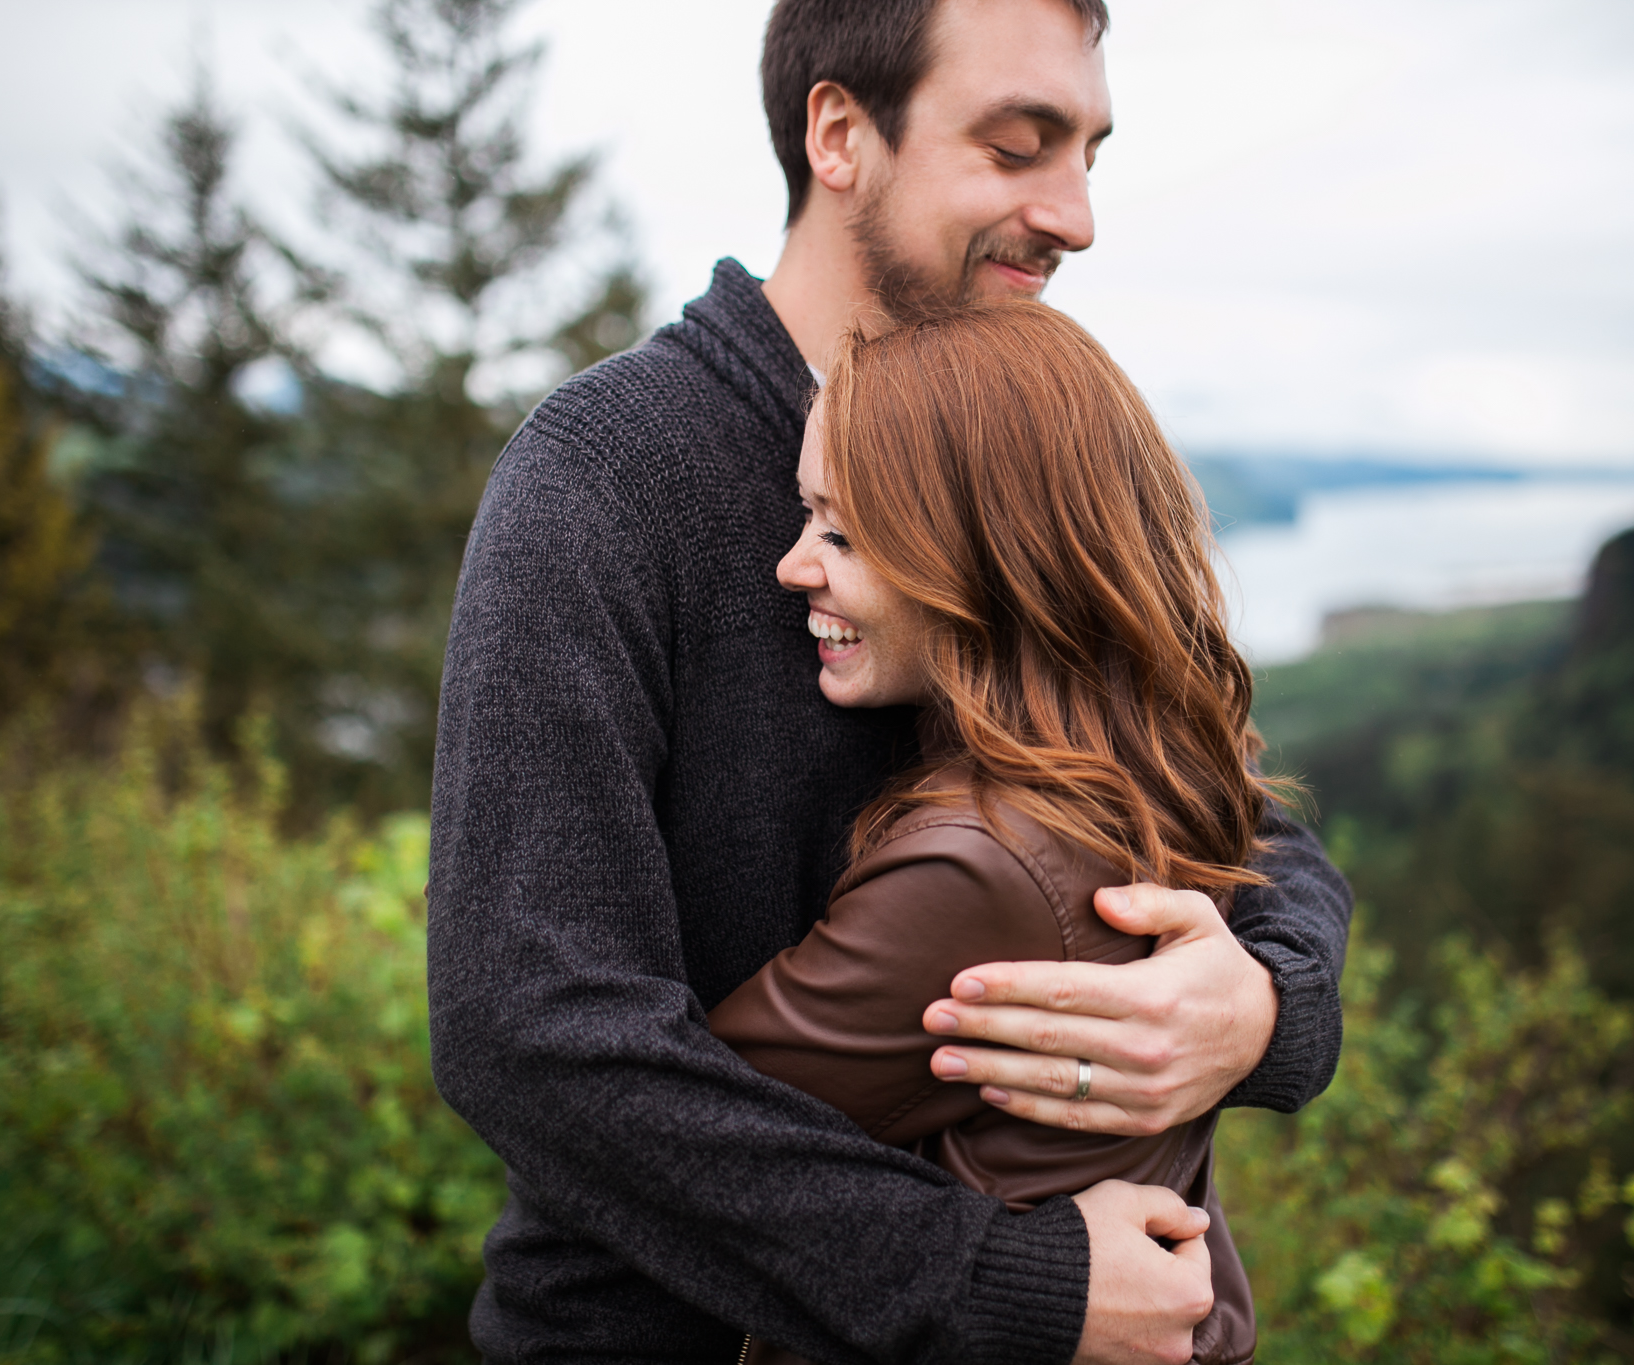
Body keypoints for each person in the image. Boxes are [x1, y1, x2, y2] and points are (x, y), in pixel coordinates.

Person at [426, 0, 1354, 1360]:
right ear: (841, 135)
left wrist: (1266, 1003)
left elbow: (1217, 787)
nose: (1076, 214)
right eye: (1018, 146)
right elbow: (531, 1027)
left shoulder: (1006, 440)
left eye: (1090, 151)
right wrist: (998, 1282)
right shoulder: (605, 477)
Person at [709, 299, 1276, 1365]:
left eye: (838, 530)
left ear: (980, 555)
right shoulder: (1164, 763)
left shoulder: (976, 867)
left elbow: (675, 1138)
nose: (792, 565)